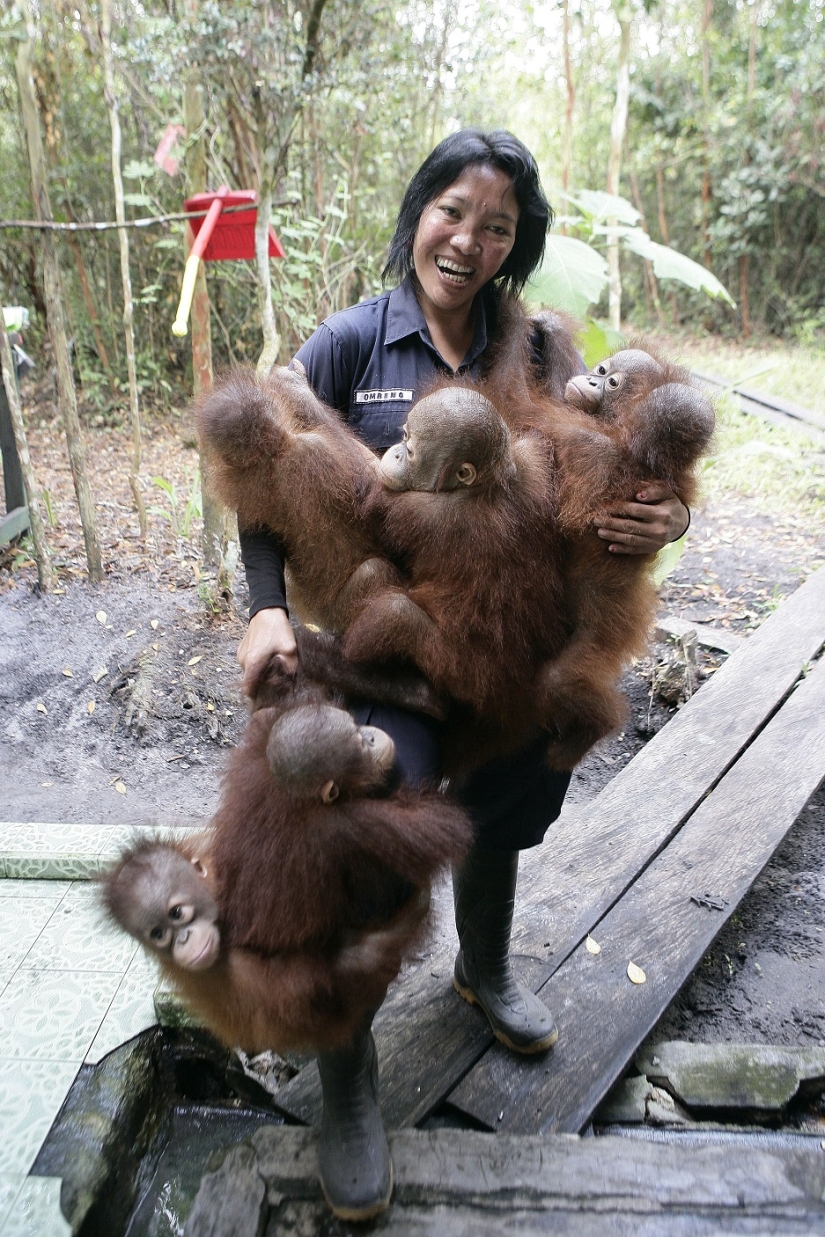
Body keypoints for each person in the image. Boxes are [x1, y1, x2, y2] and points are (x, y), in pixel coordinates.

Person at [236, 129, 689, 1220]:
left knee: (506, 810)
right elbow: (265, 469)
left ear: (514, 243)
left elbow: (624, 454)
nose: (469, 239)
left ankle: (482, 968)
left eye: (496, 226)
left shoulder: (536, 349)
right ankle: (349, 1077)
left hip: (523, 654)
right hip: (395, 661)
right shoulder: (352, 342)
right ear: (418, 213)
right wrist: (261, 610)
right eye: (452, 210)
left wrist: (664, 510)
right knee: (366, 824)